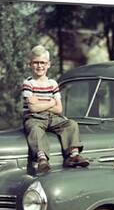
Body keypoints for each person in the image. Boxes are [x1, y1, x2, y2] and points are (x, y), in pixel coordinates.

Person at [22, 44, 89, 174]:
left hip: (53, 117)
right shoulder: (28, 83)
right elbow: (32, 108)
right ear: (30, 64)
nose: (39, 66)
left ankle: (73, 155)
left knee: (71, 124)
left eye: (42, 62)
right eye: (36, 62)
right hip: (34, 118)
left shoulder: (52, 83)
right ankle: (42, 159)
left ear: (48, 65)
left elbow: (59, 109)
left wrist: (40, 101)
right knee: (35, 130)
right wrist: (51, 101)